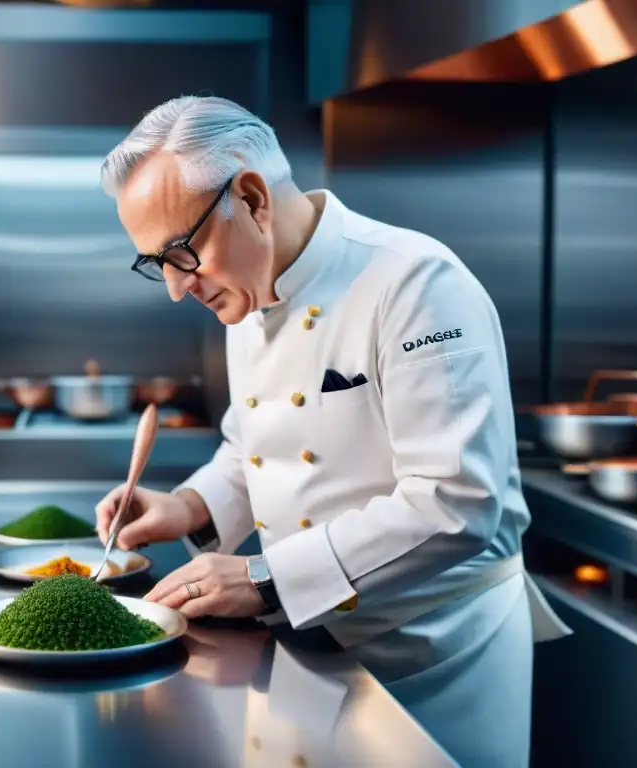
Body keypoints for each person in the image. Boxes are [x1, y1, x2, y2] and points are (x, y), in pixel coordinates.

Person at [95, 95, 572, 768]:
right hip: (307, 647)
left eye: (181, 253)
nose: (177, 288)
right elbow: (253, 445)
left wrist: (264, 578)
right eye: (157, 264)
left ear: (253, 198)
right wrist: (187, 507)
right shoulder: (247, 289)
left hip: (428, 658)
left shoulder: (415, 282)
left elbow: (456, 501)